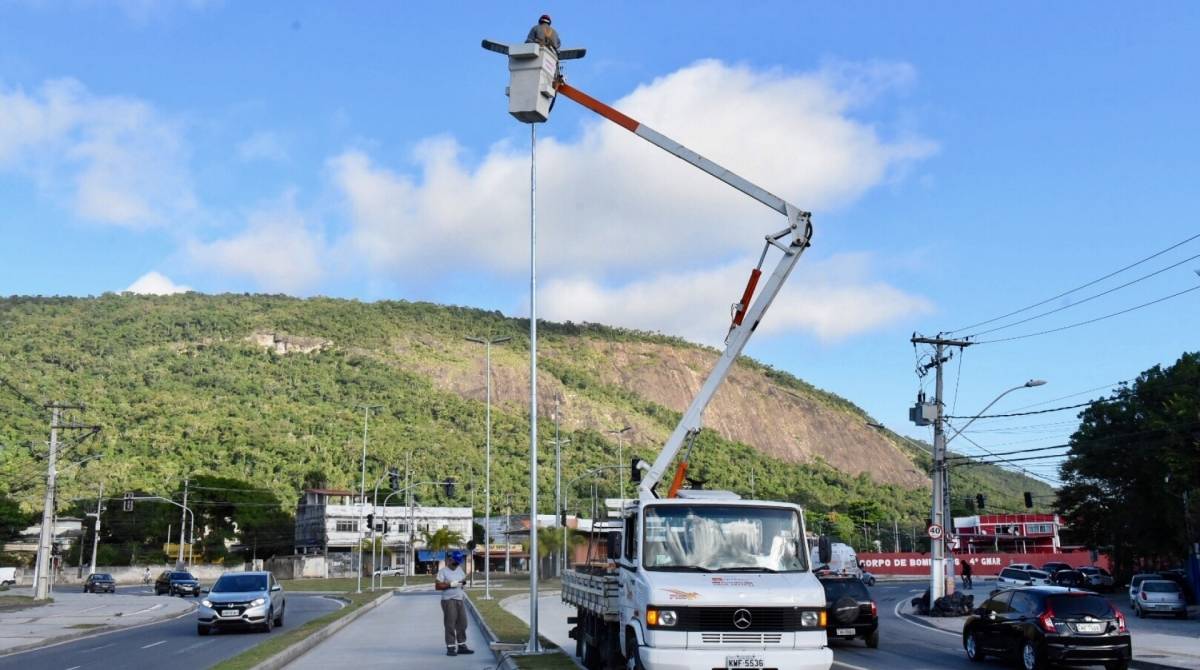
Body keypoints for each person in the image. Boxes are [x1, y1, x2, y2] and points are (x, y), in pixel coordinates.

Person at [436, 551, 473, 656]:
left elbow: (462, 581)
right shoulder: (443, 572)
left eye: (458, 562)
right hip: (448, 600)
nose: (456, 564)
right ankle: (451, 648)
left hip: (459, 599)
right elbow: (437, 586)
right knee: (450, 624)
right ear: (450, 559)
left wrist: (462, 583)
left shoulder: (460, 570)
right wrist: (450, 585)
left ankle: (462, 646)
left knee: (462, 623)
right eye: (455, 562)